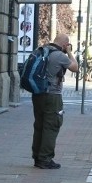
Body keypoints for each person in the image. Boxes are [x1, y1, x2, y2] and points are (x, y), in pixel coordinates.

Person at [31, 33, 79, 169]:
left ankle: (37, 156)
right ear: (64, 44)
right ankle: (45, 159)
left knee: (39, 125)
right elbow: (75, 67)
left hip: (37, 94)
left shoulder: (42, 50)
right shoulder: (59, 55)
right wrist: (70, 52)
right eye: (67, 45)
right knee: (51, 126)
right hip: (52, 96)